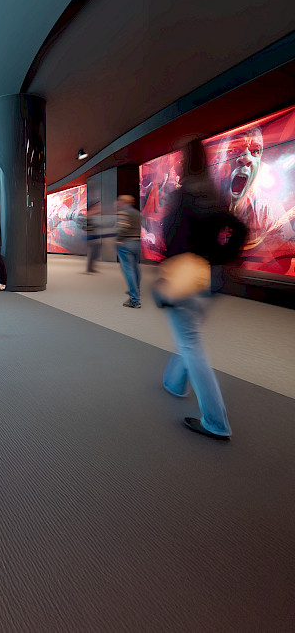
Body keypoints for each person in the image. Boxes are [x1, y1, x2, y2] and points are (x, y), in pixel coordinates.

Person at [155, 138, 243, 440]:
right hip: (211, 278)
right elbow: (239, 230)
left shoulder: (183, 196)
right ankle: (174, 383)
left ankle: (216, 422)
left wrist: (167, 274)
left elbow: (169, 236)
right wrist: (222, 258)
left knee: (192, 344)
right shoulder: (216, 196)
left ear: (184, 162)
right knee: (189, 335)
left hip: (185, 279)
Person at [215, 125, 294, 272]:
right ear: (218, 160)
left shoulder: (270, 210)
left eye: (255, 151)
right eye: (234, 150)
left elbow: (284, 265)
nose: (245, 158)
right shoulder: (200, 202)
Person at [116, 194, 142, 308]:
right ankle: (137, 290)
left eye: (119, 201)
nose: (118, 203)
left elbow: (122, 228)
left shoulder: (124, 212)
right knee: (135, 268)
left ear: (123, 202)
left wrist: (118, 239)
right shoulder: (137, 213)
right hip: (136, 243)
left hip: (126, 244)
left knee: (128, 270)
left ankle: (134, 300)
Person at [80, 200, 101, 274]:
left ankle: (90, 268)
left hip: (93, 235)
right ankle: (89, 268)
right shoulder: (89, 215)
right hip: (90, 236)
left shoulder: (92, 214)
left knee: (95, 252)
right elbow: (84, 226)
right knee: (93, 252)